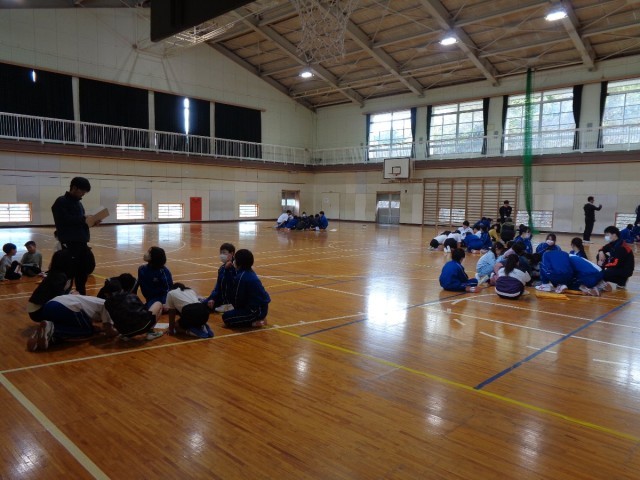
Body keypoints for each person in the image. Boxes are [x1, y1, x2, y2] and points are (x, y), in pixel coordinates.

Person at [51, 177, 97, 294]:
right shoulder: (61, 201)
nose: (83, 194)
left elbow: (80, 223)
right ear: (74, 188)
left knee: (82, 271)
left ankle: (81, 294)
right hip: (69, 242)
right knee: (68, 272)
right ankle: (64, 296)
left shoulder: (79, 204)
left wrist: (91, 222)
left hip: (81, 242)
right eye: (82, 191)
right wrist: (83, 218)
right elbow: (64, 220)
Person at [27, 294, 115, 351]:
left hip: (49, 306)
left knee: (72, 327)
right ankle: (54, 330)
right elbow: (109, 331)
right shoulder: (108, 305)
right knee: (87, 331)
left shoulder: (97, 301)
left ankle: (46, 337)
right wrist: (118, 332)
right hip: (67, 307)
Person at [222, 249, 271, 328]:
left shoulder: (242, 277)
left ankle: (255, 322)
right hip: (260, 308)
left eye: (235, 259)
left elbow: (236, 300)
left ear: (239, 262)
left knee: (226, 317)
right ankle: (257, 317)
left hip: (255, 310)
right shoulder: (248, 271)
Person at [26, 249, 74, 322]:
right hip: (37, 311)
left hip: (38, 308)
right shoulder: (59, 275)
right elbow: (57, 298)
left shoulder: (59, 273)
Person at [204, 242, 237, 313]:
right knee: (204, 305)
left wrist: (228, 270)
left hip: (232, 301)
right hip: (221, 299)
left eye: (224, 253)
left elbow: (232, 284)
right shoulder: (222, 268)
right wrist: (212, 298)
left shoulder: (236, 268)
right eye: (221, 253)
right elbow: (218, 286)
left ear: (232, 253)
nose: (222, 255)